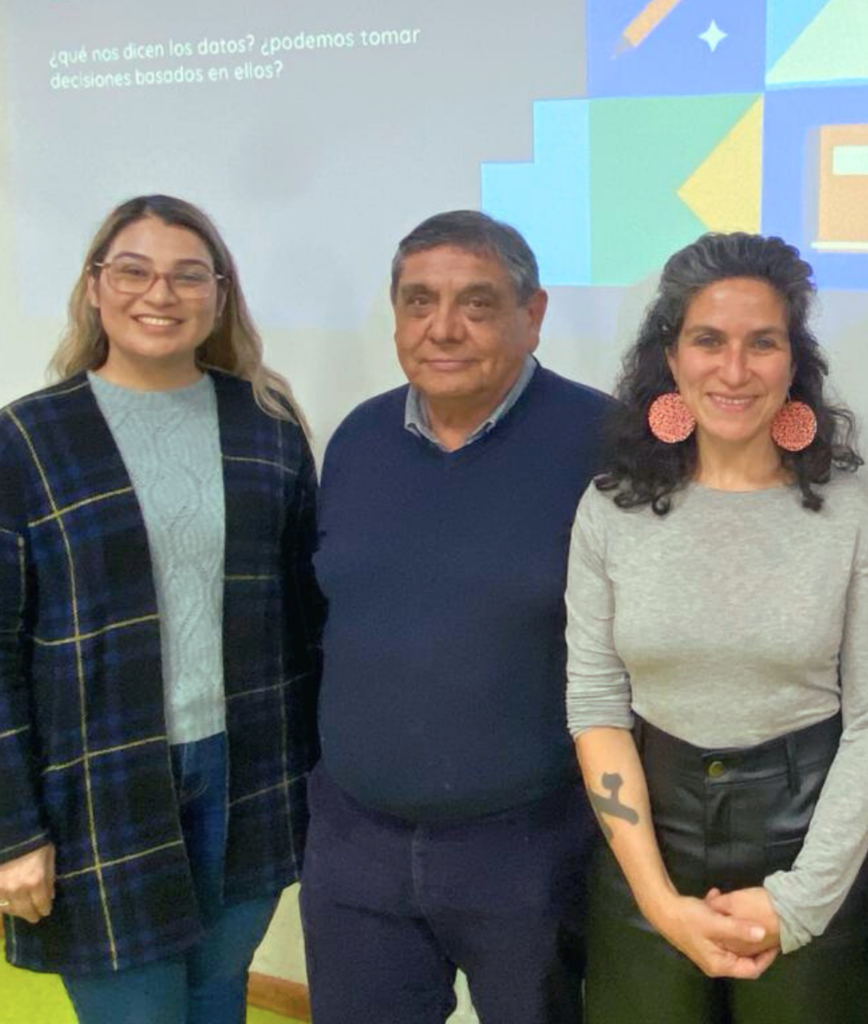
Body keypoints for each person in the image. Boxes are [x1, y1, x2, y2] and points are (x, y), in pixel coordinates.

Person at [0, 195, 320, 1024]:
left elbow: (306, 620)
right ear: (94, 286)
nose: (160, 294)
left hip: (248, 770)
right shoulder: (28, 440)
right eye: (133, 271)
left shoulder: (267, 425)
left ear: (219, 295)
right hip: (95, 785)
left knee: (218, 997)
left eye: (188, 276)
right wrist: (13, 831)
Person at [565, 231, 868, 1023]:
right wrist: (657, 902)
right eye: (709, 341)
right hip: (646, 843)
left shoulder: (853, 512)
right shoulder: (609, 509)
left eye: (763, 343)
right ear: (671, 358)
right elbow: (596, 705)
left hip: (811, 842)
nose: (735, 370)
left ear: (794, 361)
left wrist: (801, 902)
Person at [300, 211, 610, 1024]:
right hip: (355, 848)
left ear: (532, 315)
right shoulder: (358, 440)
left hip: (535, 851)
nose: (442, 328)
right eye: (418, 301)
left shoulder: (606, 443)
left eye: (476, 303)